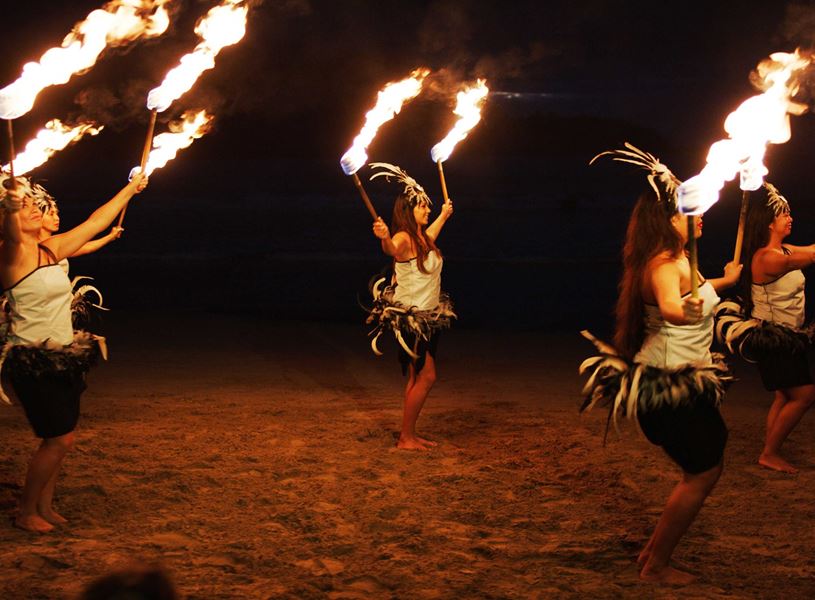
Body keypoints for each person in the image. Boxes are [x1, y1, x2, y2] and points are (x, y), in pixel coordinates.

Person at [581, 145, 741, 584]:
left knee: (706, 466)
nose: (700, 213)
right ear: (667, 220)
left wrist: (726, 278)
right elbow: (671, 303)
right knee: (702, 472)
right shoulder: (665, 264)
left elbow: (696, 290)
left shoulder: (683, 260)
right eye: (689, 209)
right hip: (669, 389)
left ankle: (653, 551)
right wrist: (679, 311)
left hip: (682, 381)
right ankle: (657, 565)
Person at [0, 171, 147, 533]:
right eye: (29, 208)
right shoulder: (13, 254)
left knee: (58, 440)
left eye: (39, 207)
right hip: (33, 362)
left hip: (66, 357)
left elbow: (95, 221)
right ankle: (25, 512)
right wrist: (9, 205)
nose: (36, 211)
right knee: (60, 438)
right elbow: (10, 224)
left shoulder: (52, 249)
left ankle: (44, 507)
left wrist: (130, 187)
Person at [723, 183, 815, 473]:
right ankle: (770, 452)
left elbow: (811, 249)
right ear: (769, 222)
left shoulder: (783, 249)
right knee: (805, 394)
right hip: (773, 338)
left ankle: (770, 449)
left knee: (785, 395)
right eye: (784, 214)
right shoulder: (768, 258)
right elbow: (812, 256)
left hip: (790, 337)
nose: (790, 218)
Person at [367, 163, 454, 450]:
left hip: (429, 317)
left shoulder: (421, 237)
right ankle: (406, 437)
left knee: (418, 376)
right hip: (412, 319)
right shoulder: (403, 238)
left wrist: (443, 215)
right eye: (423, 207)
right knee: (428, 376)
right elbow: (392, 249)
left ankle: (409, 434)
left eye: (428, 208)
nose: (427, 210)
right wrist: (383, 238)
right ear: (409, 210)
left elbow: (430, 239)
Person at [36, 194, 124, 275]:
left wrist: (110, 236)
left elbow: (86, 247)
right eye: (51, 214)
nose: (57, 218)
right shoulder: (35, 250)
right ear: (37, 217)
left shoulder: (57, 244)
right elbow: (95, 223)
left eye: (56, 213)